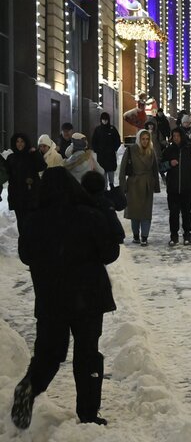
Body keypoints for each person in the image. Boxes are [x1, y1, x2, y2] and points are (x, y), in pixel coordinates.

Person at [10, 167, 120, 429]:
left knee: (48, 354)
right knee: (87, 354)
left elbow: (25, 255)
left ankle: (30, 386)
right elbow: (110, 253)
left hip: (51, 299)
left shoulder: (34, 221)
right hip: (88, 298)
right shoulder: (89, 215)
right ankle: (89, 413)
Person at [119, 129, 160, 246]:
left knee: (146, 212)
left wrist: (156, 185)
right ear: (139, 139)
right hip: (133, 184)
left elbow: (155, 169)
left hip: (147, 184)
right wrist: (123, 186)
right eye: (143, 139)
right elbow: (122, 169)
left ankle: (144, 237)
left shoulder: (151, 151)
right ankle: (136, 235)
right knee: (135, 212)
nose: (145, 141)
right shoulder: (131, 150)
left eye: (147, 139)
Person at [4, 133, 47, 233]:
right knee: (21, 223)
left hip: (31, 195)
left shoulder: (31, 156)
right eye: (17, 141)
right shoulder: (11, 158)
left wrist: (35, 153)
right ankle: (23, 242)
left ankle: (32, 241)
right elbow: (6, 174)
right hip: (17, 196)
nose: (20, 144)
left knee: (31, 223)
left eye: (22, 141)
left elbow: (42, 166)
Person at [161, 128, 191, 246]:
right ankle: (174, 236)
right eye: (174, 136)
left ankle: (187, 235)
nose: (176, 138)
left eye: (178, 135)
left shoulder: (190, 149)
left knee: (186, 213)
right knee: (173, 213)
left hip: (187, 188)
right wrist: (169, 164)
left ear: (182, 136)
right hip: (173, 188)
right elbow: (161, 166)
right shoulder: (168, 150)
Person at [81, 171, 125, 245]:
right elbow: (118, 232)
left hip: (84, 246)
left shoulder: (79, 204)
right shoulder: (106, 204)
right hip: (105, 246)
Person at [91, 112, 122, 187]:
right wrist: (96, 150)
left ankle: (112, 185)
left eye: (106, 120)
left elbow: (117, 140)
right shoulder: (98, 130)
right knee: (102, 171)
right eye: (103, 119)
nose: (104, 121)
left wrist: (114, 149)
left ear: (108, 120)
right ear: (101, 120)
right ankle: (104, 187)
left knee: (111, 172)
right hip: (101, 155)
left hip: (110, 155)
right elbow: (94, 141)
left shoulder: (112, 129)